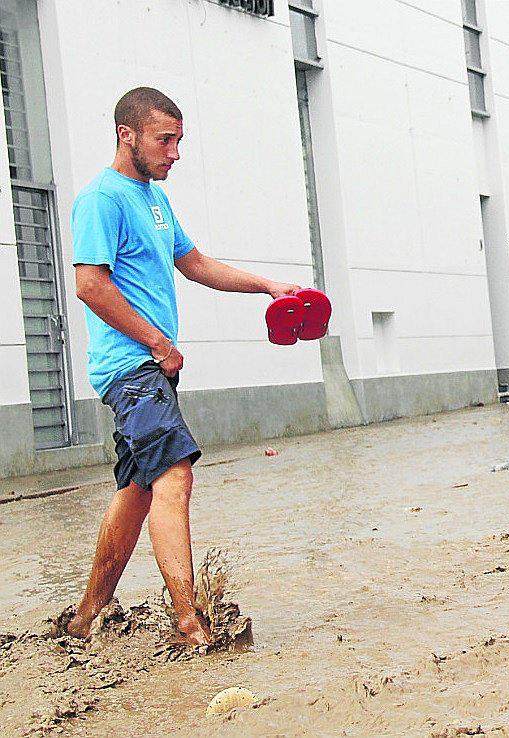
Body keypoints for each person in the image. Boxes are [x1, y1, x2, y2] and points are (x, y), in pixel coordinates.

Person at [64, 88, 302, 644]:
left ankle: (83, 619)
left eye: (179, 140)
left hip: (152, 367)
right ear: (128, 135)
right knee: (176, 473)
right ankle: (189, 623)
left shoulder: (153, 200)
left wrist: (266, 285)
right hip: (132, 369)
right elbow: (89, 284)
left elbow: (194, 264)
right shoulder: (102, 199)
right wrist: (156, 343)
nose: (174, 153)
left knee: (138, 490)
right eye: (164, 140)